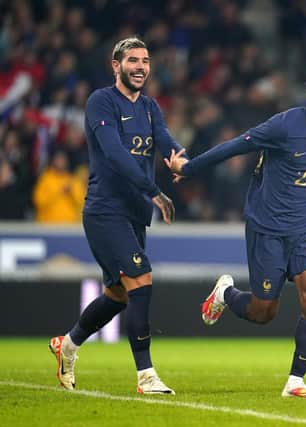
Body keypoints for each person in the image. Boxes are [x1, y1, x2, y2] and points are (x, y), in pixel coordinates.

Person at [164, 63, 306, 398]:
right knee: (262, 312)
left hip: (305, 226)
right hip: (267, 227)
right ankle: (226, 294)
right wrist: (190, 167)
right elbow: (236, 145)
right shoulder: (285, 125)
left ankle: (296, 381)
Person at [48, 37, 186, 395]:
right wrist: (153, 189)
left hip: (135, 214)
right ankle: (146, 376)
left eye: (145, 61)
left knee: (118, 294)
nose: (140, 67)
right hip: (105, 210)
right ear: (116, 65)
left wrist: (180, 158)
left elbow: (164, 138)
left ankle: (69, 344)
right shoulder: (100, 102)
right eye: (133, 60)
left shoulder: (151, 107)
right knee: (140, 279)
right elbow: (114, 155)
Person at [32, 149, 86, 223]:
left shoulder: (73, 180)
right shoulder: (45, 179)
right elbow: (38, 202)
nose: (61, 162)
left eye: (63, 159)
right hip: (48, 225)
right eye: (58, 159)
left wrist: (71, 193)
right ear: (53, 161)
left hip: (70, 226)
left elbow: (81, 202)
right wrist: (58, 192)